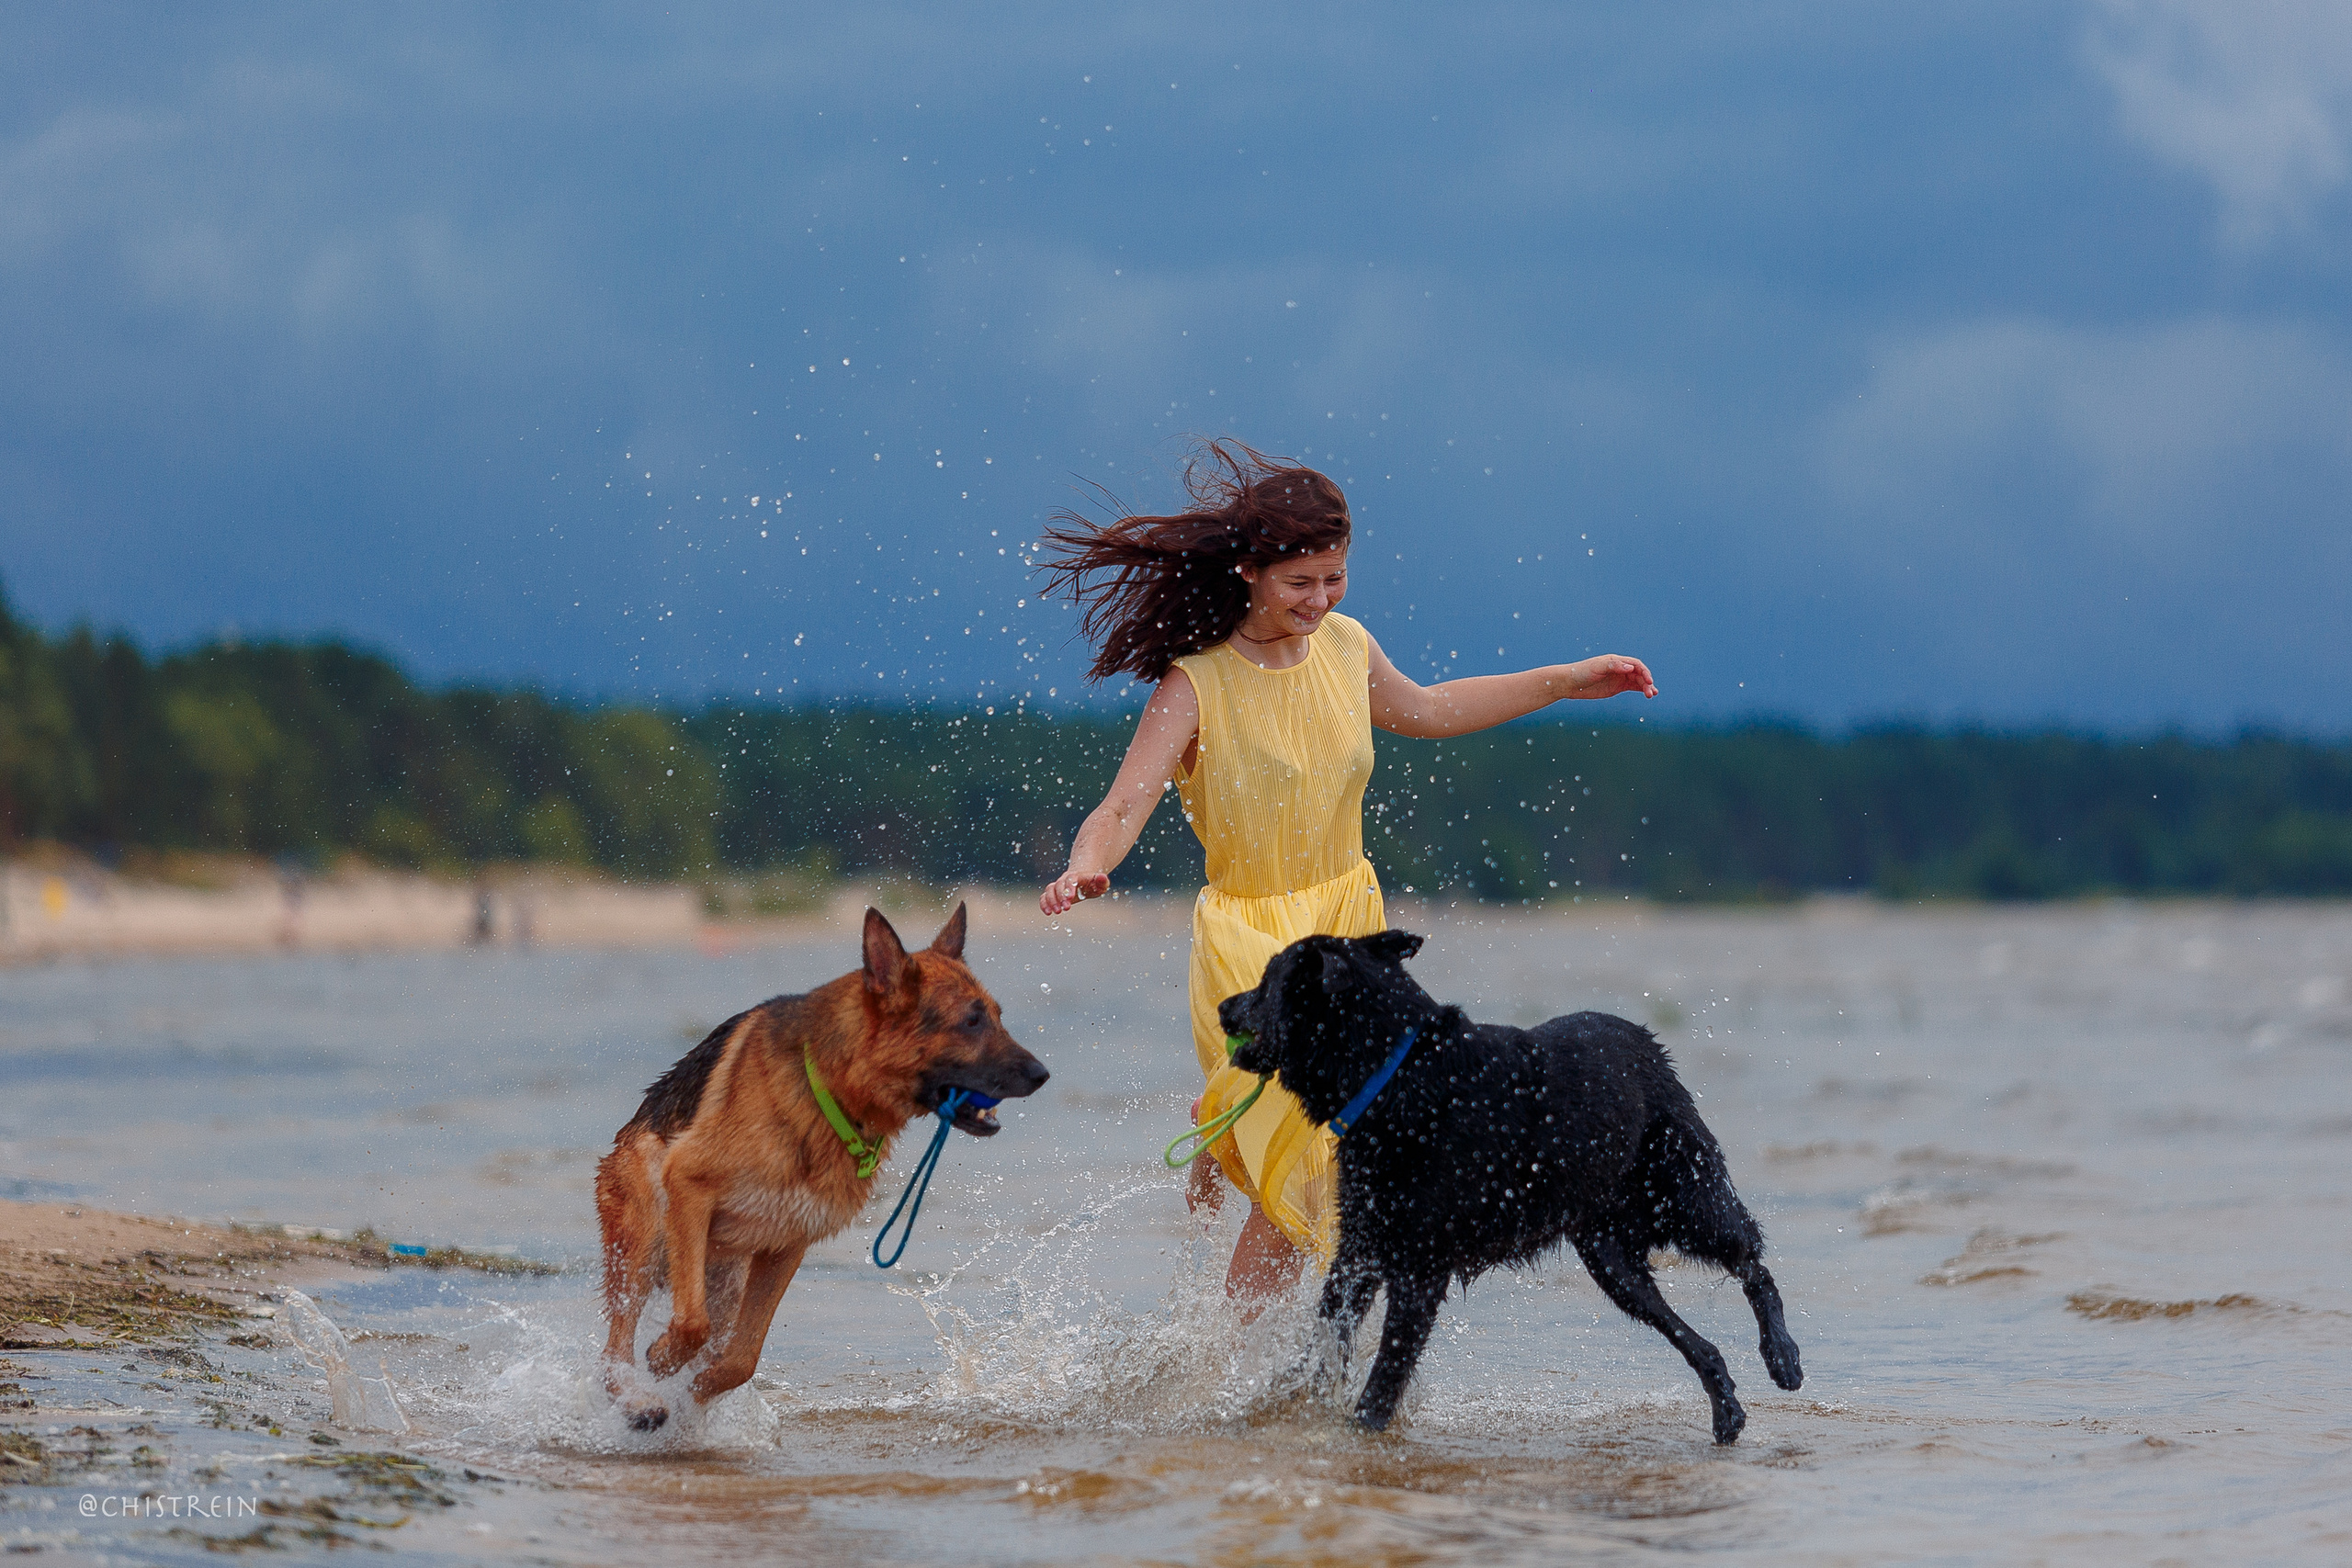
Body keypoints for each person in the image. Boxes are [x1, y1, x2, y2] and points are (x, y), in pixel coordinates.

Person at [1036, 441, 1657, 1308]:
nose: (1320, 600)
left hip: (1351, 937)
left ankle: (1226, 1145)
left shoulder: (1347, 648)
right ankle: (1219, 1363)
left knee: (1338, 1148)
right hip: (1256, 948)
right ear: (1250, 570)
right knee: (1313, 1170)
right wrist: (1085, 866)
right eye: (1301, 582)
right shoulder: (1195, 683)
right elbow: (1122, 807)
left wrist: (1564, 680)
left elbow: (1434, 710)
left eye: (1335, 578)